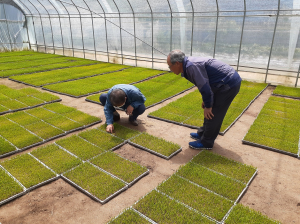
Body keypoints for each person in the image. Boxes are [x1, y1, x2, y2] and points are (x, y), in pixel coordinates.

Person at [167, 50, 242, 149]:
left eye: (170, 66)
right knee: (210, 108)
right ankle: (202, 133)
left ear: (177, 63)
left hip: (228, 83)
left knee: (213, 113)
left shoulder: (191, 67)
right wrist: (207, 101)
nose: (170, 69)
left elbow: (204, 87)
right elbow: (205, 83)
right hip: (220, 82)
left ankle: (207, 142)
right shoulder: (187, 65)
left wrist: (208, 105)